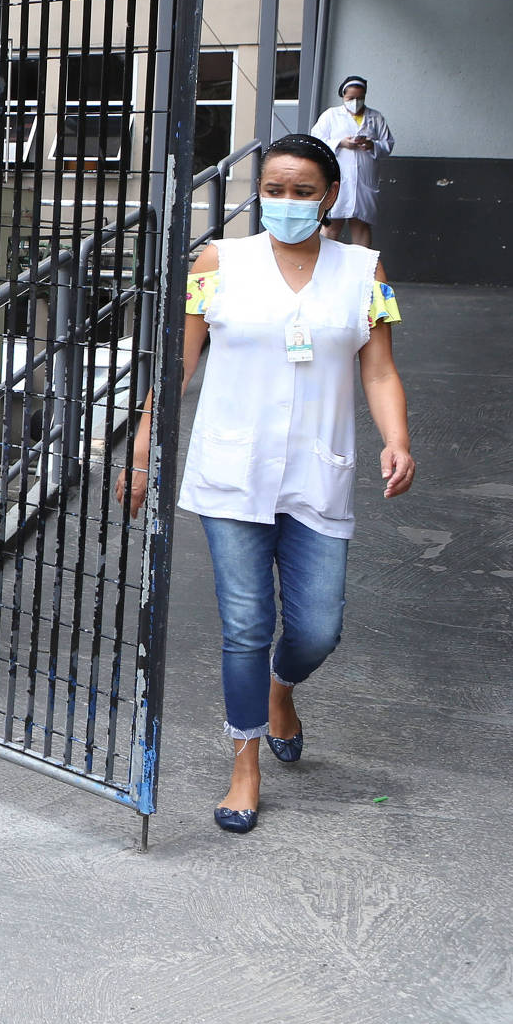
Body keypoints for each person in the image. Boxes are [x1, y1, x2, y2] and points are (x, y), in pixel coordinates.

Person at [117, 133, 415, 834]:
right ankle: (244, 763)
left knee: (317, 628)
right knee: (245, 623)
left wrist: (398, 440)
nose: (286, 202)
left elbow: (378, 370)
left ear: (331, 196)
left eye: (302, 191)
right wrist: (141, 451)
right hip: (232, 474)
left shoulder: (365, 271)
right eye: (274, 189)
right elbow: (177, 363)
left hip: (318, 473)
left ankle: (284, 689)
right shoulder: (216, 261)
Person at [310, 75, 395, 246]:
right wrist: (340, 143)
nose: (355, 102)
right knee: (332, 224)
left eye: (360, 98)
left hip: (364, 180)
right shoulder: (331, 116)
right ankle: (325, 265)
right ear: (343, 96)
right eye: (351, 98)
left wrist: (371, 145)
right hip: (339, 178)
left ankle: (360, 269)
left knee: (361, 225)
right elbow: (316, 140)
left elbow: (388, 144)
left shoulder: (375, 118)